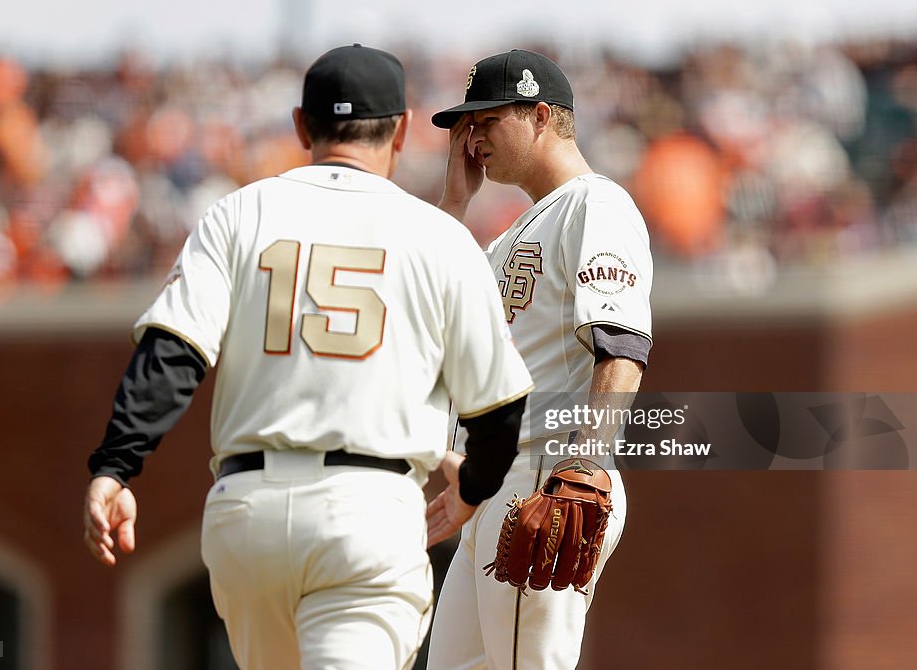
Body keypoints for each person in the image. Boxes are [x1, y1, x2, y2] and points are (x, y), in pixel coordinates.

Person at [82, 44, 534, 670]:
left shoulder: (238, 211)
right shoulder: (438, 237)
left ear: (301, 125)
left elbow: (172, 352)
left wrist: (116, 467)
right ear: (402, 129)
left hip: (249, 513)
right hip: (367, 513)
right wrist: (475, 486)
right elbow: (502, 410)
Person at [425, 49, 654, 669]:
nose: (471, 138)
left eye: (486, 120)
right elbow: (429, 311)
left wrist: (584, 467)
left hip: (545, 476)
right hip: (496, 484)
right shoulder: (510, 234)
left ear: (540, 116)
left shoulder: (595, 204)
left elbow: (622, 348)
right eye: (465, 126)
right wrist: (453, 205)